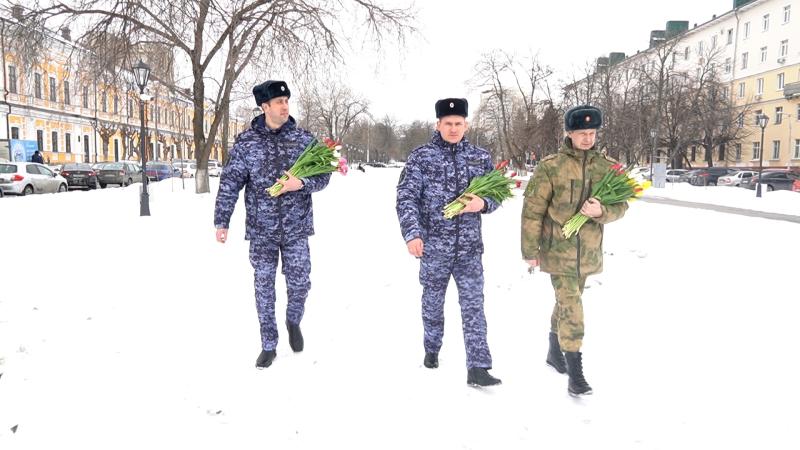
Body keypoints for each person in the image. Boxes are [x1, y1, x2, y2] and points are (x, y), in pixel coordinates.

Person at [214, 80, 331, 369]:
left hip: (297, 228)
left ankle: (294, 319)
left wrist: (300, 183)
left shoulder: (303, 140)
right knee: (264, 287)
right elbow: (230, 183)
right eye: (279, 102)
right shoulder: (246, 143)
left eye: (286, 100)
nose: (284, 106)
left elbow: (325, 174)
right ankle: (269, 344)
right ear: (264, 107)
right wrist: (222, 219)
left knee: (300, 282)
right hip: (261, 229)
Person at [520, 105, 628, 396]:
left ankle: (554, 352)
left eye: (592, 133)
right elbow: (532, 211)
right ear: (569, 133)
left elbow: (622, 206)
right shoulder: (551, 166)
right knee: (573, 308)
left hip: (589, 253)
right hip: (558, 251)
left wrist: (601, 211)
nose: (587, 139)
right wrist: (530, 250)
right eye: (582, 133)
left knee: (567, 303)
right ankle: (575, 372)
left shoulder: (608, 167)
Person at [396, 98, 502, 387]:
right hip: (433, 249)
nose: (454, 128)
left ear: (466, 124)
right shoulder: (421, 157)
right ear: (438, 124)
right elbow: (406, 198)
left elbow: (497, 194)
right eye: (448, 123)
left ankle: (478, 367)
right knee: (432, 304)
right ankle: (432, 347)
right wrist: (413, 234)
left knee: (474, 306)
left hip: (469, 250)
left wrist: (483, 203)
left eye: (459, 123)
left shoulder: (480, 158)